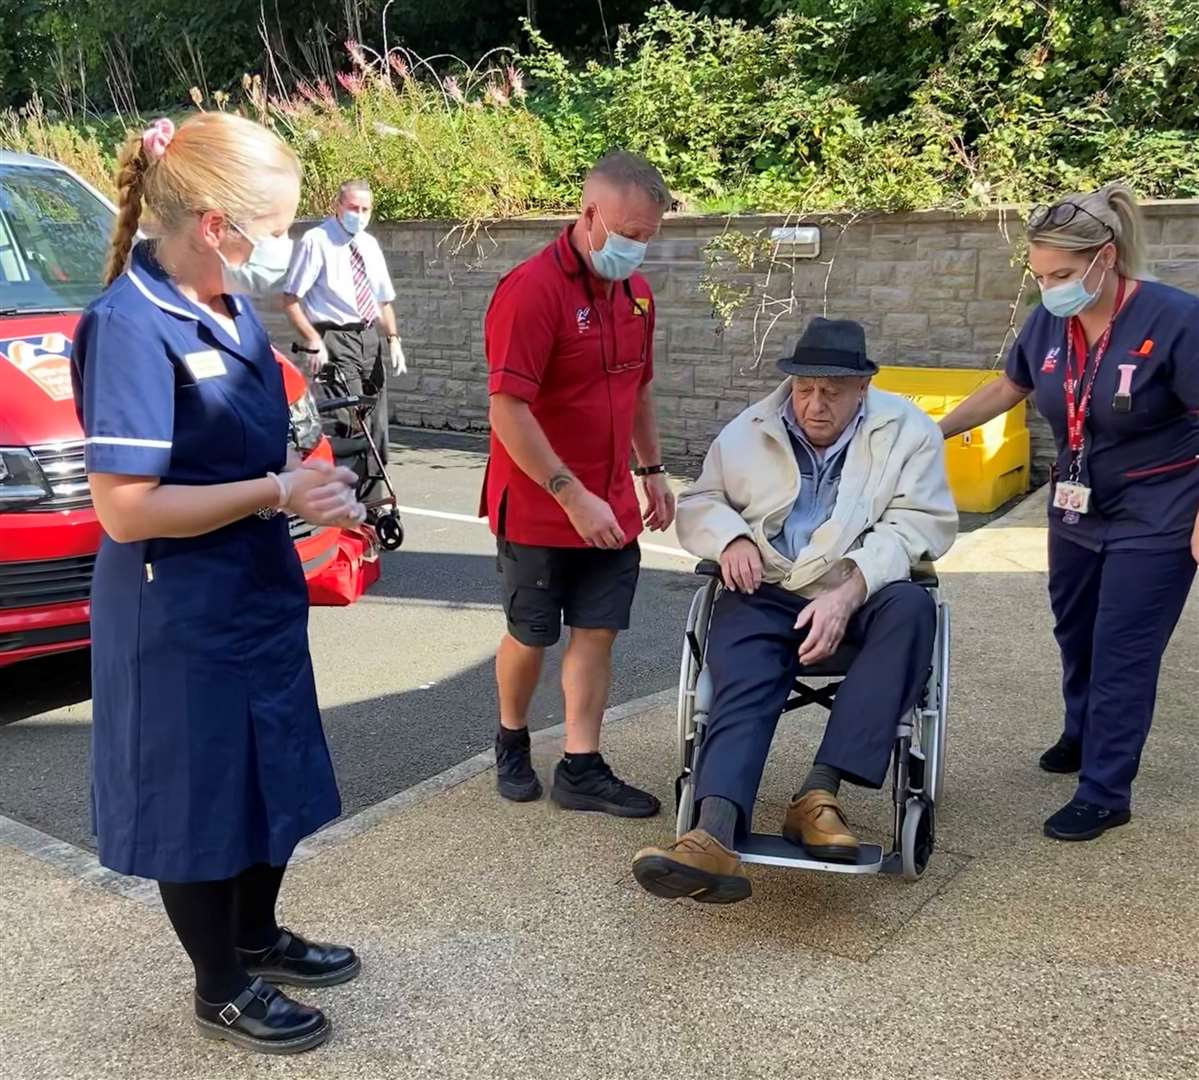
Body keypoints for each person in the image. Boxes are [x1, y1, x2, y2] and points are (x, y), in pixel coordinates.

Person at [72, 113, 365, 1054]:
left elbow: (253, 449)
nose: (284, 247)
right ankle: (220, 985)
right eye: (273, 227)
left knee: (270, 772)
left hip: (252, 588)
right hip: (178, 609)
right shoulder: (126, 326)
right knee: (198, 799)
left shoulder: (234, 312)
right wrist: (278, 490)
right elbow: (127, 510)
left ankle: (256, 934)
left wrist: (312, 488)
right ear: (212, 221)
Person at [632, 318, 957, 904]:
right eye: (805, 389)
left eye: (832, 391)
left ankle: (818, 794)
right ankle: (714, 832)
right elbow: (703, 499)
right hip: (770, 585)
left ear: (864, 387)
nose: (815, 404)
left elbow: (921, 522)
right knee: (742, 669)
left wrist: (850, 588)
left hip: (860, 591)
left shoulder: (908, 432)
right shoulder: (748, 430)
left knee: (912, 608)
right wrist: (730, 538)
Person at [939, 184, 1199, 842]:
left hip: (1158, 509)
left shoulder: (1175, 319)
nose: (1049, 286)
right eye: (1039, 274)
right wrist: (933, 430)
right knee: (1075, 630)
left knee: (1121, 648)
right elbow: (1011, 384)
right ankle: (1083, 732)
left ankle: (1105, 789)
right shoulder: (1047, 320)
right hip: (1076, 503)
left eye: (1060, 274)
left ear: (1103, 259)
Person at [479, 150, 676, 816]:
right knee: (532, 633)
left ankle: (581, 767)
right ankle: (510, 739)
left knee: (596, 631)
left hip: (612, 504)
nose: (635, 247)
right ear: (588, 214)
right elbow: (507, 408)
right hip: (539, 506)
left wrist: (650, 471)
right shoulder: (531, 290)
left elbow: (639, 389)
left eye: (647, 236)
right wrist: (570, 492)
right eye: (627, 232)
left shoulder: (637, 296)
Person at [282, 179, 405, 493]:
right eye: (353, 208)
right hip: (335, 338)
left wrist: (393, 339)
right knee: (350, 421)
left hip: (368, 338)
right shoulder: (317, 241)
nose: (359, 214)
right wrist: (312, 339)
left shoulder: (369, 245)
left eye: (365, 209)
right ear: (338, 207)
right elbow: (291, 299)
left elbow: (383, 300)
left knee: (376, 424)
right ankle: (345, 498)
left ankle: (372, 503)